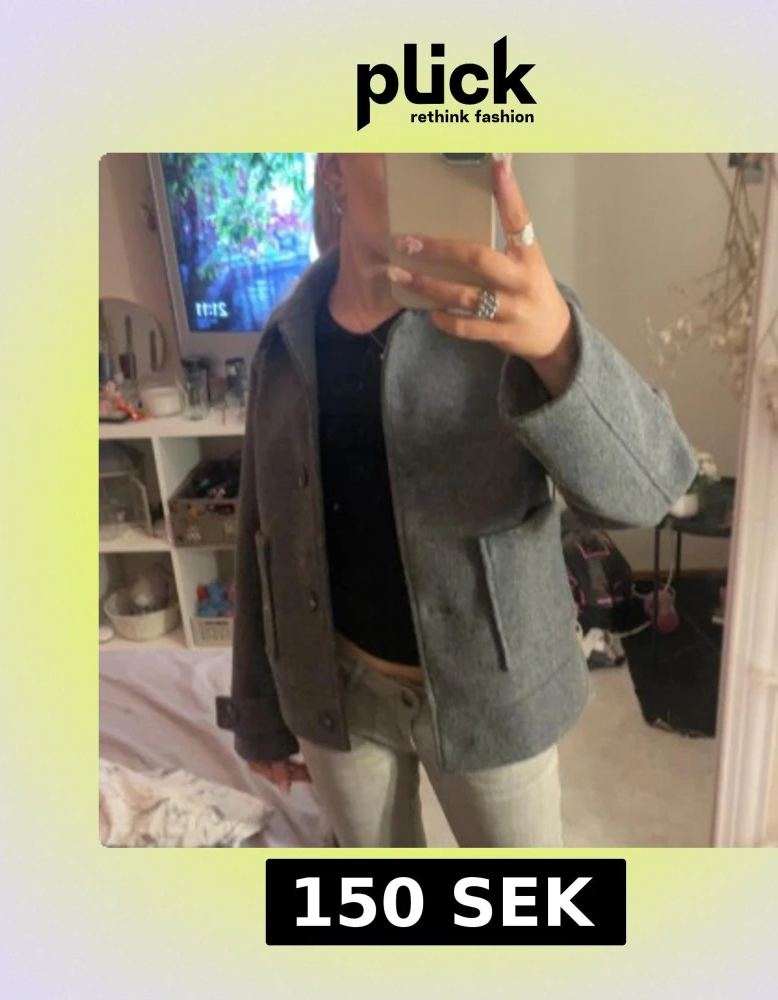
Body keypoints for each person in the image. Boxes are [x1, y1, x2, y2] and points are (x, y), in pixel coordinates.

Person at [216, 153, 697, 847]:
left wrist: (560, 349)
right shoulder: (287, 340)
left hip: (492, 695)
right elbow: (261, 530)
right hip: (337, 696)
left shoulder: (515, 323)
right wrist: (258, 711)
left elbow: (649, 492)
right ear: (336, 169)